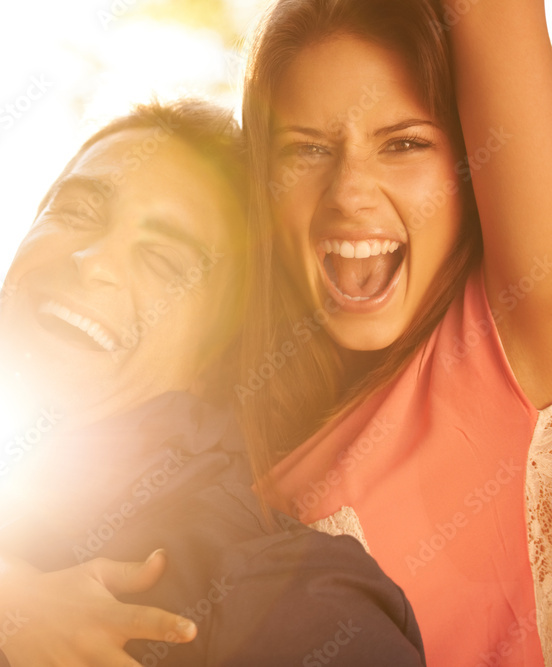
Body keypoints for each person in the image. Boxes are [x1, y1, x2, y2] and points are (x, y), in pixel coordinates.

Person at [0, 100, 426, 665]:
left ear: (217, 357)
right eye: (76, 211)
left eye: (165, 261)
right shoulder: (5, 519)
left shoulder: (284, 594)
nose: (94, 261)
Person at [235, 0, 552, 663]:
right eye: (309, 150)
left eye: (404, 143)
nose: (348, 190)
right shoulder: (233, 458)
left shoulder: (511, 339)